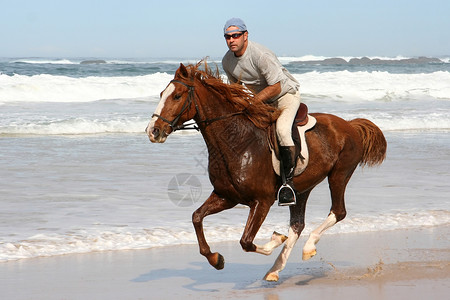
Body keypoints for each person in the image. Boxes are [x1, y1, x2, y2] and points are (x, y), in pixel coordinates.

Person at [222, 18, 301, 206]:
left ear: (245, 35)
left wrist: (252, 103)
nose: (231, 40)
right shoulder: (227, 61)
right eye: (227, 37)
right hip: (261, 101)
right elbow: (236, 89)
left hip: (284, 95)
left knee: (282, 131)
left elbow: (276, 86)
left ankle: (288, 185)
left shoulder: (260, 54)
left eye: (235, 35)